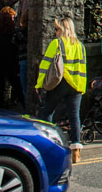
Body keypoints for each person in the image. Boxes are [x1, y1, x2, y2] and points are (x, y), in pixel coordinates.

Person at [36, 18, 87, 162]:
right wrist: (81, 87)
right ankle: (76, 151)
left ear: (63, 30)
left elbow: (45, 65)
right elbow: (83, 67)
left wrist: (39, 84)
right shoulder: (80, 45)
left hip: (61, 83)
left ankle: (48, 144)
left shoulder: (57, 43)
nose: (55, 32)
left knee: (47, 112)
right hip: (76, 85)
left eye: (57, 29)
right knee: (74, 116)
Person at [13, 8, 30, 105]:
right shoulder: (34, 31)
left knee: (25, 90)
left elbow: (14, 44)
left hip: (23, 61)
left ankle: (27, 112)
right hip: (40, 63)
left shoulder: (19, 33)